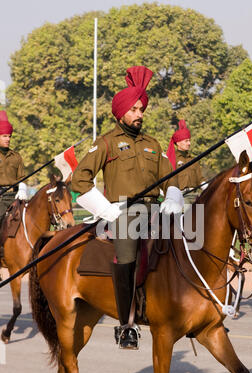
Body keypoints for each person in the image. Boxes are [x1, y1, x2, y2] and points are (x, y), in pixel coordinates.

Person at [71, 66, 183, 349]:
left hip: (154, 211)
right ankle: (126, 325)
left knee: (191, 239)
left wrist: (171, 196)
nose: (139, 114)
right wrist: (107, 210)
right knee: (127, 255)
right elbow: (79, 179)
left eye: (141, 109)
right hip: (122, 213)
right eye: (133, 110)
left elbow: (171, 178)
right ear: (121, 112)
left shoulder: (153, 145)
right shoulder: (107, 143)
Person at [0, 111, 27, 228]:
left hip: (15, 197)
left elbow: (22, 177)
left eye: (9, 136)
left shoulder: (16, 156)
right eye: (4, 136)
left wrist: (22, 189)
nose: (8, 139)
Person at [166, 120, 202, 199]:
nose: (189, 143)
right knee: (187, 211)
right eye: (186, 141)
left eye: (189, 140)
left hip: (196, 196)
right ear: (178, 143)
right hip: (181, 196)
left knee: (201, 211)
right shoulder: (171, 159)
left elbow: (200, 178)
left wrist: (207, 185)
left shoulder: (193, 159)